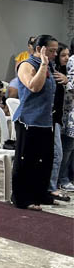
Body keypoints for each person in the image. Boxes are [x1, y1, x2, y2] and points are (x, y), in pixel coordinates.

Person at [11, 35, 57, 210]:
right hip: (28, 119)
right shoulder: (27, 65)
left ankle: (39, 195)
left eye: (55, 51)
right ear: (39, 49)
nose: (54, 54)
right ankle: (22, 198)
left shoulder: (49, 65)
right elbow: (34, 87)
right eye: (51, 50)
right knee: (26, 161)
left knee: (44, 161)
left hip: (45, 120)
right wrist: (43, 64)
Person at [47, 43, 70, 202]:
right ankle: (51, 187)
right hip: (51, 118)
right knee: (57, 153)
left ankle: (52, 185)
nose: (66, 58)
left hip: (58, 118)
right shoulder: (54, 73)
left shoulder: (63, 72)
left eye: (67, 55)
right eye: (63, 55)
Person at [60, 38, 74, 192]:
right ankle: (62, 178)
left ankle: (68, 176)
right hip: (70, 111)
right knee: (68, 147)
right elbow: (71, 86)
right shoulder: (73, 61)